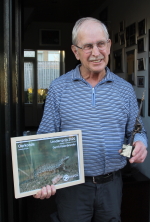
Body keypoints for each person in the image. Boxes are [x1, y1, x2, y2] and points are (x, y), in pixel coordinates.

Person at [34, 17, 148, 222]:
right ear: (75, 51)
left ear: (109, 45)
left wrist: (140, 142)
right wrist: (40, 182)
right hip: (71, 188)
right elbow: (44, 139)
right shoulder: (59, 89)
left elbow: (136, 130)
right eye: (87, 46)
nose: (96, 53)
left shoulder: (125, 90)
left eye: (101, 44)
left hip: (113, 185)